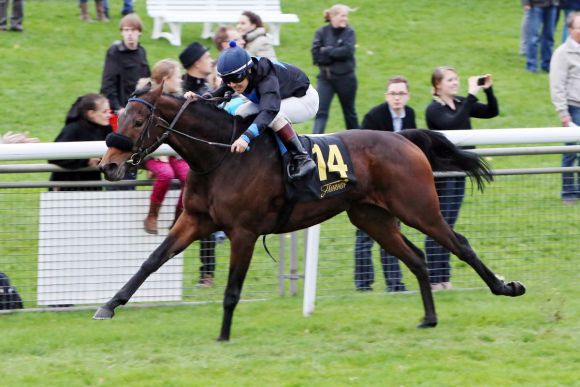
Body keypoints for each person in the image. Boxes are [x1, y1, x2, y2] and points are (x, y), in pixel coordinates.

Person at [187, 41, 318, 182]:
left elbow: (269, 111)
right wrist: (200, 99)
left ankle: (302, 158)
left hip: (304, 99)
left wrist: (246, 137)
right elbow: (217, 94)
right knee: (241, 112)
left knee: (274, 117)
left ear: (248, 70)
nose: (232, 85)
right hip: (280, 99)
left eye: (235, 79)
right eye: (226, 80)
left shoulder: (266, 76)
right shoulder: (237, 75)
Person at [425, 66, 499, 290]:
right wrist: (471, 95)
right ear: (438, 86)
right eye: (450, 80)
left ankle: (444, 279)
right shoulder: (433, 109)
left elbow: (491, 111)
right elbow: (452, 124)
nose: (455, 83)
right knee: (438, 224)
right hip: (443, 174)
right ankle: (434, 278)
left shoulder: (460, 102)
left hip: (459, 172)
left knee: (449, 225)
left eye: (456, 79)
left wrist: (488, 91)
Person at [353, 76, 416, 292]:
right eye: (393, 93)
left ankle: (395, 284)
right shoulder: (374, 116)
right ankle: (363, 285)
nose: (397, 98)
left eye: (400, 93)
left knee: (392, 232)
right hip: (369, 184)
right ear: (386, 96)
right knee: (365, 234)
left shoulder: (411, 116)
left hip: (393, 185)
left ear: (407, 96)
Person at [179, 42, 221, 288]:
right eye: (207, 57)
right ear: (195, 62)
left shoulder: (209, 87)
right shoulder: (183, 92)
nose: (212, 60)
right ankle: (206, 273)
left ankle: (208, 273)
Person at [137, 59, 191, 234]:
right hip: (151, 152)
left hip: (173, 151)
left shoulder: (178, 100)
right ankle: (152, 215)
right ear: (166, 79)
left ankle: (178, 219)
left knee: (189, 177)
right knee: (166, 174)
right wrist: (156, 152)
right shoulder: (146, 99)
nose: (181, 80)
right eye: (177, 77)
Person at [100, 13, 150, 188]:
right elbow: (107, 86)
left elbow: (146, 84)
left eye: (133, 30)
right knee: (119, 161)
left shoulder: (141, 52)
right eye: (126, 30)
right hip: (121, 116)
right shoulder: (115, 53)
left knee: (132, 161)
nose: (129, 34)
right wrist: (118, 108)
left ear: (139, 33)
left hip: (138, 116)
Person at [48, 94, 113, 191]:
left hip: (91, 186)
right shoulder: (72, 129)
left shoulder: (106, 129)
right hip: (66, 187)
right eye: (104, 112)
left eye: (109, 111)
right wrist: (86, 161)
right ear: (91, 114)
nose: (109, 115)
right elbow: (54, 157)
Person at [311, 4, 359, 134]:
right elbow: (316, 56)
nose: (345, 19)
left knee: (349, 112)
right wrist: (334, 52)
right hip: (325, 79)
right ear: (332, 16)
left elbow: (348, 51)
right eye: (342, 15)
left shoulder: (349, 32)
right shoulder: (321, 32)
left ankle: (357, 139)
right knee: (321, 112)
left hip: (346, 78)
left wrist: (326, 50)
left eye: (346, 16)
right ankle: (315, 141)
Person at [550, 11, 580, 204]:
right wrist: (564, 113)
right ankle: (568, 192)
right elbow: (557, 85)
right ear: (570, 30)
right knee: (570, 152)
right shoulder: (562, 53)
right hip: (574, 108)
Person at [523, 0, 559, 73]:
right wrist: (526, 3)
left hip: (552, 4)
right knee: (533, 37)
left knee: (549, 37)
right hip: (535, 5)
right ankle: (531, 65)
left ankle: (547, 65)